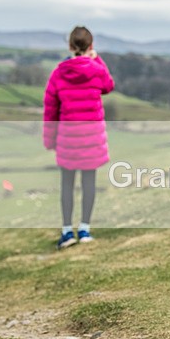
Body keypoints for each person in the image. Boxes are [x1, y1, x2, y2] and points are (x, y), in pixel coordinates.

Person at [43, 26, 114, 249]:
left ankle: (66, 232)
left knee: (67, 184)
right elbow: (108, 86)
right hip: (91, 138)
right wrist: (98, 59)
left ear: (70, 46)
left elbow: (50, 109)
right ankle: (84, 228)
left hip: (68, 138)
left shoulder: (58, 73)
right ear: (91, 46)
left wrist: (49, 139)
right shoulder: (96, 70)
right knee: (89, 182)